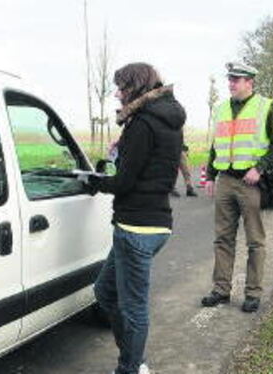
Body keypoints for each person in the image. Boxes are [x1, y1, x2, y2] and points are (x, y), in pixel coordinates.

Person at [89, 62, 186, 374]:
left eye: (121, 87)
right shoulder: (166, 118)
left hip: (136, 228)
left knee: (132, 308)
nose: (117, 93)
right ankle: (134, 360)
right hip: (154, 223)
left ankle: (129, 368)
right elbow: (151, 164)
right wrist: (123, 149)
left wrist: (92, 181)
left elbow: (123, 182)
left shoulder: (142, 123)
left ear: (136, 87)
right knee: (105, 293)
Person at [200, 62, 273, 313]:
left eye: (236, 79)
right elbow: (217, 145)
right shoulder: (221, 109)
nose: (231, 84)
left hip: (250, 182)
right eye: (230, 79)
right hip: (226, 180)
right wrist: (210, 176)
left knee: (254, 241)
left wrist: (259, 168)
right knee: (222, 238)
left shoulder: (267, 106)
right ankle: (221, 289)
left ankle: (252, 293)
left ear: (250, 82)